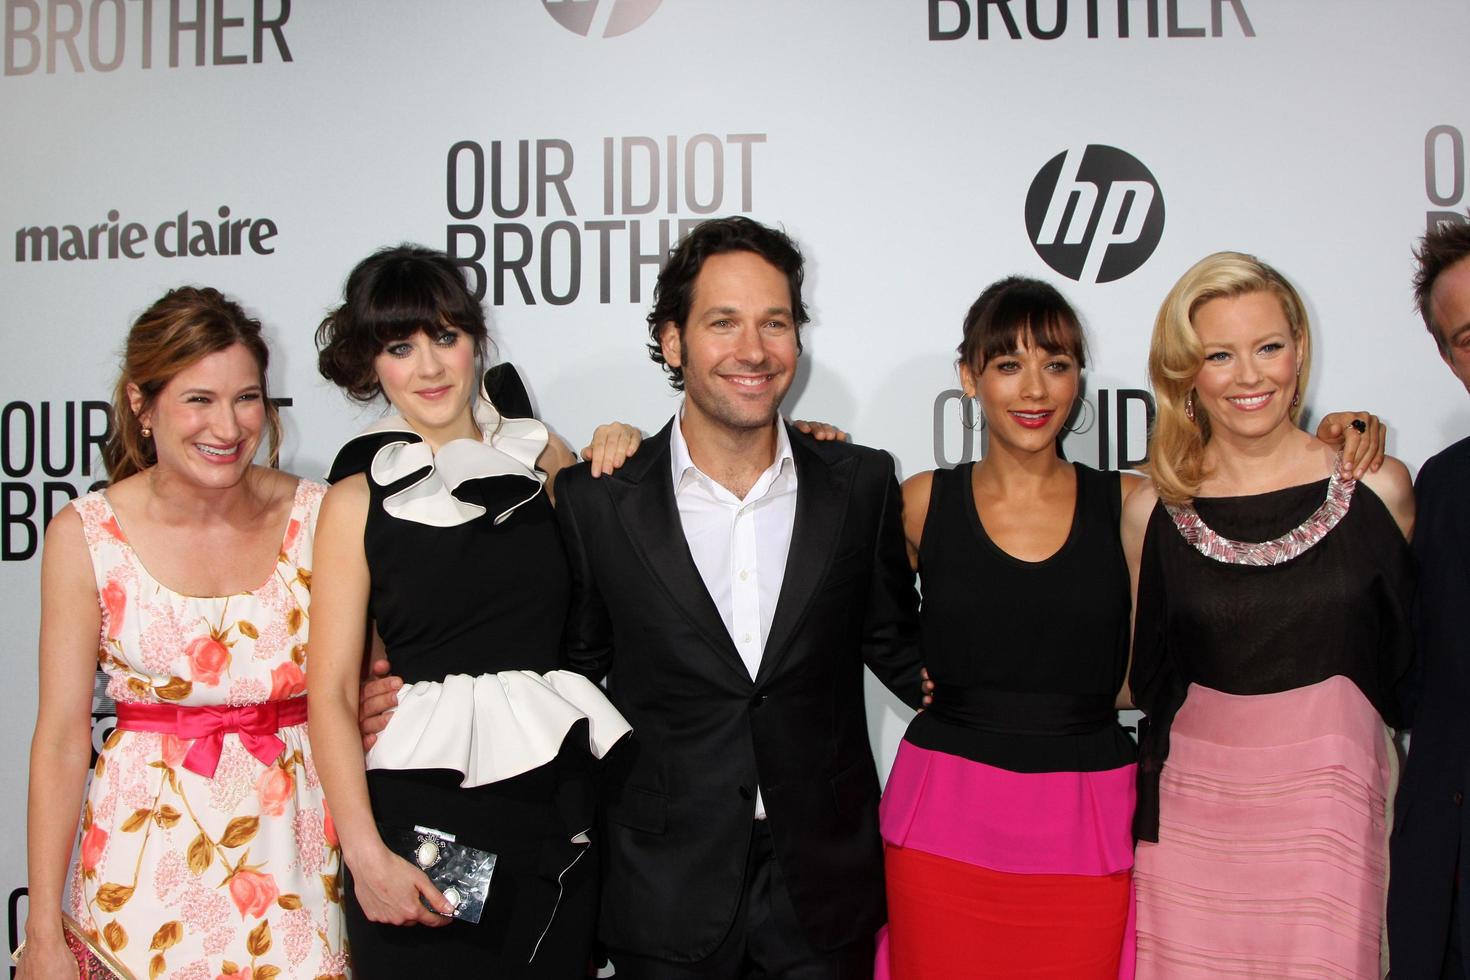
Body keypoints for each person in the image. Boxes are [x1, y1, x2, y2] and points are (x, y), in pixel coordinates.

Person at [551, 215, 925, 978]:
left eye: (775, 323)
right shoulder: (599, 503)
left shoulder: (859, 487)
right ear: (672, 341)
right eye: (724, 323)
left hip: (822, 889)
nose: (754, 350)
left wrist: (1032, 711)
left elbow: (898, 648)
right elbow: (571, 686)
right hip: (663, 889)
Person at [306, 244, 639, 978]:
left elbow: (635, 566)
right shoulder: (352, 500)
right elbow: (328, 693)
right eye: (401, 347)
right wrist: (364, 858)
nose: (428, 368)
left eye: (446, 338)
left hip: (555, 804)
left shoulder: (542, 458)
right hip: (419, 821)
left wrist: (627, 449)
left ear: (476, 342)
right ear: (372, 363)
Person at [18, 287, 347, 979]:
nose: (227, 427)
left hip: (298, 860)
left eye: (246, 398)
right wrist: (42, 929)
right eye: (198, 399)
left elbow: (364, 683)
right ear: (142, 404)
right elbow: (58, 736)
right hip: (139, 877)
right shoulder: (86, 535)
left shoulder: (323, 517)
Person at [1124, 252, 1415, 978]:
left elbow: (1415, 669)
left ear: (1300, 351)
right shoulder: (1149, 510)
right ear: (1185, 373)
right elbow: (1137, 679)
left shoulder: (1379, 486)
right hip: (1192, 836)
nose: (1250, 376)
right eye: (1220, 355)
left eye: (1268, 347)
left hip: (1335, 832)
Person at [879, 277, 1140, 979]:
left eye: (1057, 364)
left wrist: (1333, 434)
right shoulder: (920, 503)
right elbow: (866, 616)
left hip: (1086, 815)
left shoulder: (1132, 504)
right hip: (941, 816)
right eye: (1008, 365)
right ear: (969, 377)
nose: (1036, 390)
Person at [1389, 214, 1470, 979]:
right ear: (1449, 361)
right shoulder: (1439, 489)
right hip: (1451, 891)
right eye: (1469, 337)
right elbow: (1411, 684)